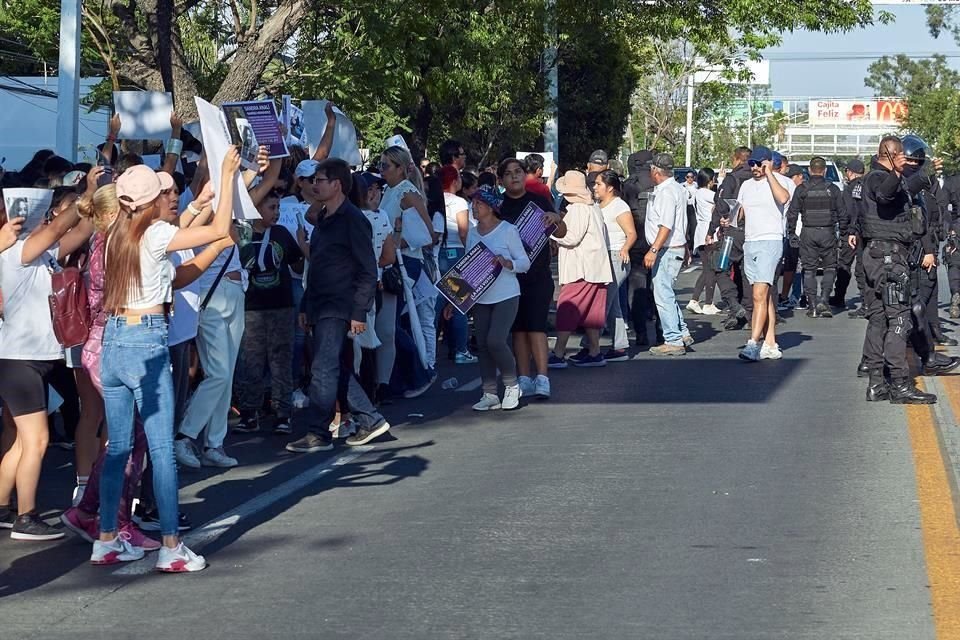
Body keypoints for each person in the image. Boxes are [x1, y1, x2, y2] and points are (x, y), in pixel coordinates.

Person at [94, 155, 238, 570]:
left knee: (118, 447)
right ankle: (171, 546)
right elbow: (217, 227)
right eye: (162, 194)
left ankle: (106, 539)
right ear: (152, 200)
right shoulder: (155, 233)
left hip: (115, 341)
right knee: (161, 451)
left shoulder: (115, 232)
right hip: (145, 341)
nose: (167, 199)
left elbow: (179, 270)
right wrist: (226, 180)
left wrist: (211, 234)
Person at [0, 183, 93, 540]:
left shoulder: (43, 253)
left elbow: (82, 230)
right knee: (37, 441)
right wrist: (86, 195)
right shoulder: (18, 250)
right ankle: (26, 516)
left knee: (24, 442)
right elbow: (57, 229)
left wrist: (94, 203)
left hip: (31, 359)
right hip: (18, 360)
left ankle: (4, 506)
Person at [285, 159, 390, 452]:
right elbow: (316, 266)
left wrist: (359, 311)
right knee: (334, 366)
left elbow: (368, 269)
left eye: (320, 180)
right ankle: (370, 419)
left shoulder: (353, 219)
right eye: (313, 180)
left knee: (322, 367)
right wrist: (306, 305)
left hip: (339, 304)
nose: (314, 185)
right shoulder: (324, 220)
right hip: (319, 302)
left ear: (337, 185)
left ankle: (318, 432)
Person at [858, 137, 937, 403]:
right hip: (888, 259)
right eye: (901, 155)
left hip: (882, 256)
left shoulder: (886, 177)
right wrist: (895, 172)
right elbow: (885, 194)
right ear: (891, 155)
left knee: (880, 318)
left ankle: (876, 383)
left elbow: (901, 193)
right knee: (900, 319)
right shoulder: (876, 178)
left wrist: (924, 176)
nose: (906, 160)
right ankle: (900, 384)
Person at [234, 189, 304, 434]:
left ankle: (283, 411)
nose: (276, 213)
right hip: (251, 306)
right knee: (251, 360)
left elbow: (297, 262)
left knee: (281, 359)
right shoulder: (242, 235)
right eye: (271, 208)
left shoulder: (282, 233)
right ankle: (249, 411)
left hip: (281, 304)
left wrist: (304, 245)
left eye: (278, 208)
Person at [496, 158, 565, 397]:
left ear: (525, 175)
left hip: (538, 273)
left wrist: (556, 219)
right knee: (518, 328)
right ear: (501, 180)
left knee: (536, 325)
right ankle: (524, 377)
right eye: (508, 174)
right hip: (509, 276)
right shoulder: (499, 206)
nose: (514, 177)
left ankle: (543, 377)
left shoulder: (538, 200)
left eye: (518, 172)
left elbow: (561, 231)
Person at [378, 145, 438, 399]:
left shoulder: (407, 193)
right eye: (380, 165)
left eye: (386, 166)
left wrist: (397, 241)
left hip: (406, 262)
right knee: (392, 321)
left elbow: (428, 234)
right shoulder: (389, 192)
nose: (381, 170)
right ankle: (397, 379)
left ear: (401, 168)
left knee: (391, 323)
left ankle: (419, 373)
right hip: (392, 260)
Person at [465, 186, 530, 411]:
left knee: (495, 340)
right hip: (480, 297)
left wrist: (509, 263)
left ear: (492, 208)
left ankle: (512, 385)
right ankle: (489, 392)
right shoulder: (472, 232)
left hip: (506, 294)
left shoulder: (508, 230)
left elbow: (524, 262)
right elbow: (467, 266)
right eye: (473, 203)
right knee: (482, 344)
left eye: (479, 204)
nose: (474, 207)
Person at [550, 171, 613, 368]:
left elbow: (571, 238)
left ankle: (559, 353)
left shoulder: (577, 209)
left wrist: (551, 232)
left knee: (567, 309)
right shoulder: (593, 208)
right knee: (592, 315)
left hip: (580, 269)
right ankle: (594, 352)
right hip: (596, 268)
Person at [737, 146, 792, 362]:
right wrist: (730, 218)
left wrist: (769, 173)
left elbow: (784, 198)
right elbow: (741, 211)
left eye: (759, 164)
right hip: (750, 241)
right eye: (752, 164)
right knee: (764, 295)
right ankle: (770, 342)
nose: (755, 168)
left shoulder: (780, 181)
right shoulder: (746, 185)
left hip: (770, 240)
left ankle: (753, 343)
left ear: (768, 162)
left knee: (759, 294)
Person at [644, 154, 692, 356]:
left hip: (667, 249)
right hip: (675, 246)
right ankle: (681, 332)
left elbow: (666, 225)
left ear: (656, 171)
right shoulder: (678, 189)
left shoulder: (665, 193)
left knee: (663, 294)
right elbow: (682, 221)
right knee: (667, 292)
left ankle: (673, 339)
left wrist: (653, 249)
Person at [787, 156, 843, 319]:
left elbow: (792, 213)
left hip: (808, 233)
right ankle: (824, 300)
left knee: (809, 269)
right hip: (827, 232)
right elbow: (843, 214)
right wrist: (844, 234)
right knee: (830, 267)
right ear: (825, 170)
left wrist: (792, 233)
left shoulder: (802, 189)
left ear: (810, 170)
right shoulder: (832, 189)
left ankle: (811, 306)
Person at [591, 170, 636, 361]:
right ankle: (619, 347)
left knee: (603, 302)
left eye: (598, 184)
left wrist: (625, 248)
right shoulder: (597, 205)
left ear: (609, 187)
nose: (595, 187)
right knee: (613, 303)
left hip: (617, 257)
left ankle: (590, 346)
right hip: (602, 256)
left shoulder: (619, 206)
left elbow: (632, 233)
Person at [707, 147, 752, 331]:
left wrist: (711, 229)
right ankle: (747, 313)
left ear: (736, 159)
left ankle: (734, 304)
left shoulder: (732, 179)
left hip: (733, 233)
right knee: (746, 274)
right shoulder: (759, 179)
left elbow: (721, 205)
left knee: (720, 267)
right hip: (752, 234)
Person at [437, 165, 475, 364]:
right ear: (454, 181)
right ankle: (460, 350)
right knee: (459, 304)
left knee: (435, 306)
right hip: (456, 253)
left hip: (436, 254)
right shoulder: (460, 202)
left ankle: (430, 352)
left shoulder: (433, 199)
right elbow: (463, 231)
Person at [622, 151, 659, 344]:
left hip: (636, 243)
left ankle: (641, 333)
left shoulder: (629, 184)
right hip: (660, 242)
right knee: (660, 288)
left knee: (637, 289)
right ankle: (662, 331)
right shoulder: (660, 180)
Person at [688, 168, 722, 315]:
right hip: (709, 233)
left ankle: (694, 300)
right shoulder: (706, 193)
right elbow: (721, 200)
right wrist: (721, 182)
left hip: (701, 232)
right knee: (712, 270)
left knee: (707, 269)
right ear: (710, 180)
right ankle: (708, 303)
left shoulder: (697, 193)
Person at [778, 164, 807, 310]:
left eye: (792, 177)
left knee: (800, 266)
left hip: (802, 233)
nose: (790, 180)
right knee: (794, 265)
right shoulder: (792, 189)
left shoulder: (804, 190)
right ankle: (797, 296)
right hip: (792, 232)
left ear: (800, 176)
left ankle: (799, 297)